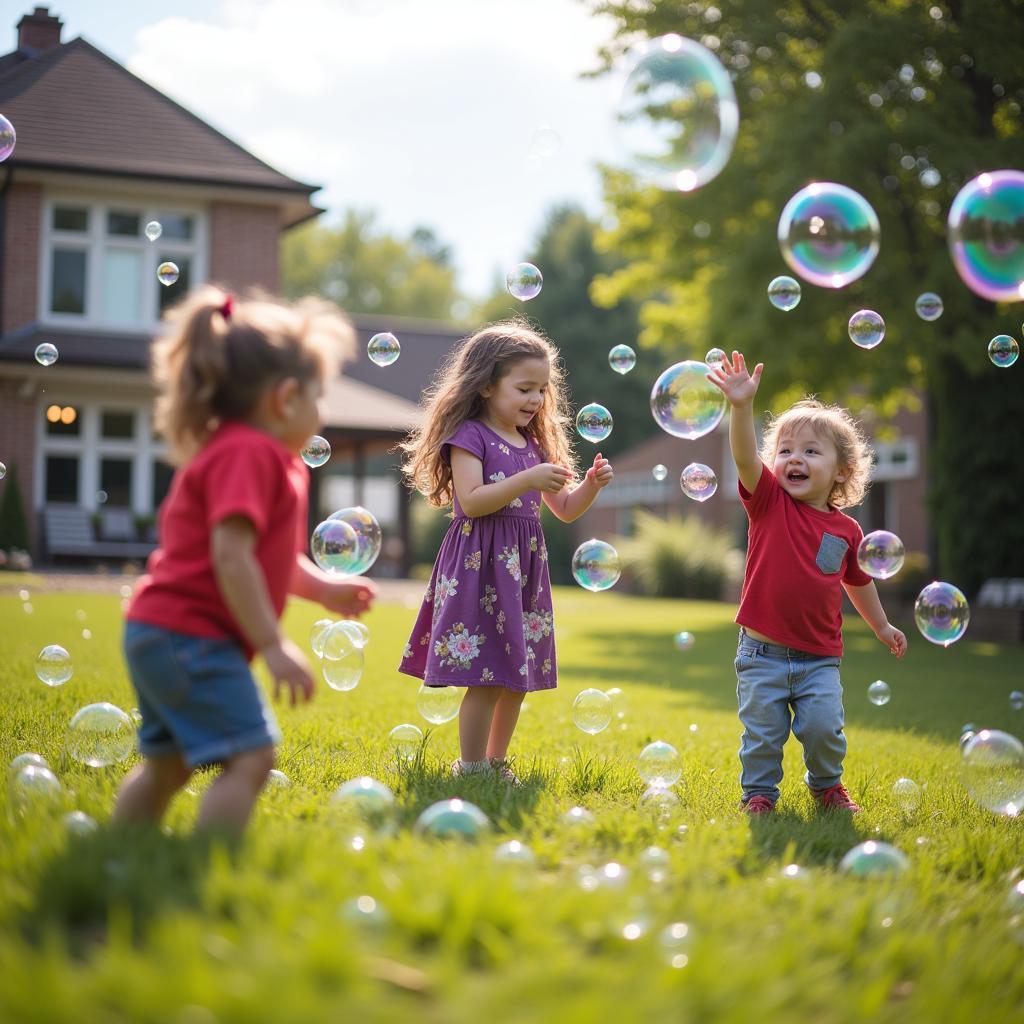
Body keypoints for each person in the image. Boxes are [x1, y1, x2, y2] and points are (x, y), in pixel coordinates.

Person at [114, 286, 375, 836]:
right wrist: (273, 644)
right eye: (317, 396)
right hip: (190, 637)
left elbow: (267, 559)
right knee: (252, 758)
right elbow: (231, 556)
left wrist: (322, 588)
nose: (322, 411)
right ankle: (207, 870)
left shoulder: (261, 457)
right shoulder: (248, 453)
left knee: (168, 766)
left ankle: (123, 853)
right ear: (285, 399)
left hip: (161, 632)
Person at [399, 319, 613, 783]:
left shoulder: (535, 445)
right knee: (483, 673)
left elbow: (567, 509)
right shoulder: (469, 437)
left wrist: (590, 486)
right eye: (524, 388)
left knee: (515, 676)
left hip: (521, 571)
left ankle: (496, 763)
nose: (535, 400)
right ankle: (470, 765)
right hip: (480, 565)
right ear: (486, 385)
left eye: (542, 390)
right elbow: (472, 502)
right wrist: (527, 479)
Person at [708, 351, 906, 815]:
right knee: (762, 732)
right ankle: (759, 794)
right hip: (761, 654)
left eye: (811, 451)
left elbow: (859, 583)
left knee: (823, 728)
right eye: (785, 451)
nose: (794, 459)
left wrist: (880, 628)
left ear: (841, 471)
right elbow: (742, 455)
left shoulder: (846, 531)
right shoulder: (768, 501)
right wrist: (741, 408)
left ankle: (826, 786)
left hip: (820, 657)